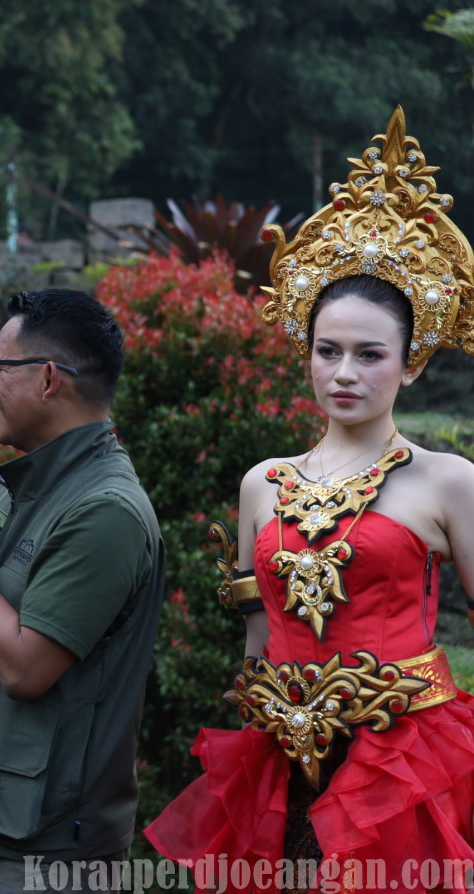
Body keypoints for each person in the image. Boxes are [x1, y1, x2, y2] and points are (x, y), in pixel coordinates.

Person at [145, 108, 474, 889]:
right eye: (328, 351)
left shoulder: (447, 480)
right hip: (277, 761)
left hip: (404, 761)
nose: (345, 373)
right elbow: (257, 638)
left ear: (412, 364)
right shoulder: (263, 482)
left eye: (370, 354)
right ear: (307, 355)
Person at [0, 287, 164, 893]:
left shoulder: (105, 510)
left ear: (49, 379)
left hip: (48, 852)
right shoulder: (27, 483)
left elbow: (24, 670)